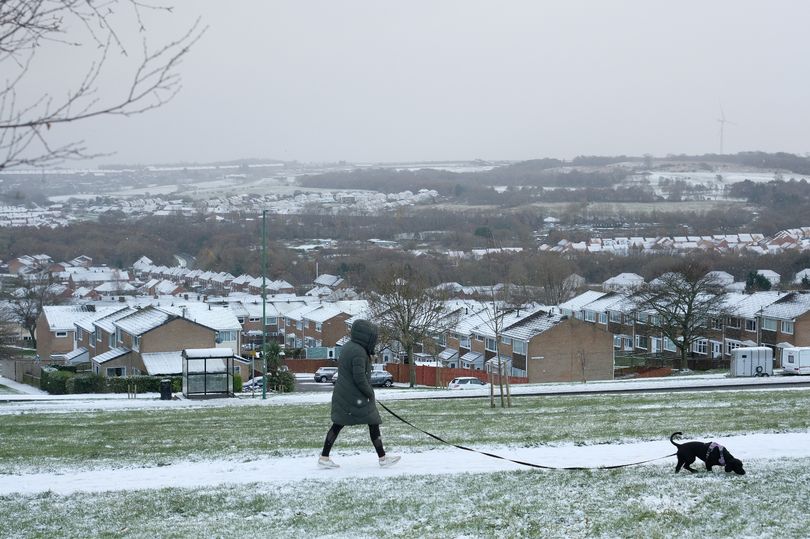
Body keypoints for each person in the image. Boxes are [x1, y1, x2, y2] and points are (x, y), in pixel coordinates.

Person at [318, 319, 400, 469]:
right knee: (371, 423)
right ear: (366, 336)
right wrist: (370, 393)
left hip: (346, 395)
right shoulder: (359, 352)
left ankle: (324, 457)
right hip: (354, 397)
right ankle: (382, 458)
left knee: (339, 425)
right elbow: (359, 377)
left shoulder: (350, 347)